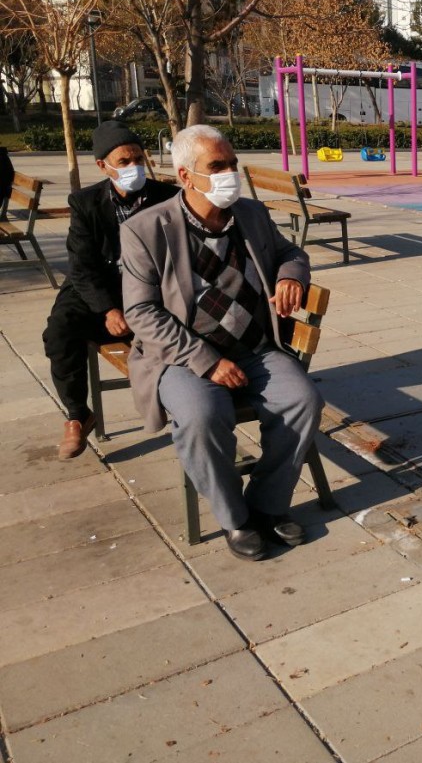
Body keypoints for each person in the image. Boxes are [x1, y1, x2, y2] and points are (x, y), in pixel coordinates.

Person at [120, 125, 323, 562]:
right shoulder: (146, 230)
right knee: (201, 415)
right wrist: (206, 360)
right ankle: (235, 518)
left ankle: (268, 506)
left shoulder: (250, 214)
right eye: (217, 166)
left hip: (255, 350)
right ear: (185, 176)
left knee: (303, 400)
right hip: (182, 358)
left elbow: (292, 253)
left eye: (232, 164)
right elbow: (141, 314)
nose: (230, 173)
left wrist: (291, 275)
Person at [42, 120, 177, 459]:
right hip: (100, 290)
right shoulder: (85, 203)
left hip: (148, 291)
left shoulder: (167, 197)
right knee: (60, 330)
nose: (134, 167)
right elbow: (82, 266)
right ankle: (77, 415)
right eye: (124, 162)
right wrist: (108, 309)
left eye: (138, 159)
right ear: (103, 166)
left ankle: (186, 406)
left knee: (167, 341)